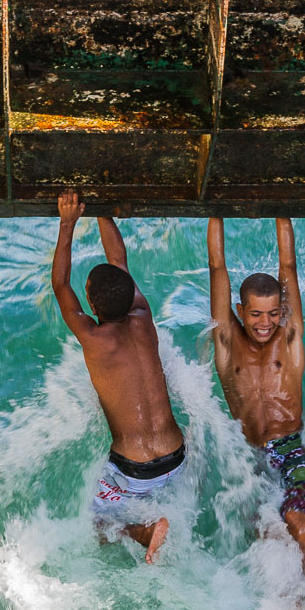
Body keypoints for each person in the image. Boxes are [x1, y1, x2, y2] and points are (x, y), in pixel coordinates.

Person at [51, 190, 185, 563]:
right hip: (175, 456)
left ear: (91, 307)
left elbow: (61, 286)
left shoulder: (93, 338)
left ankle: (145, 532)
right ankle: (151, 519)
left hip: (135, 468)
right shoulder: (143, 316)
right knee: (140, 495)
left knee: (98, 524)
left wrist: (67, 222)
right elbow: (119, 262)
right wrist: (100, 210)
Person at [207, 217, 305, 575]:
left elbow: (288, 266)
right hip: (249, 455)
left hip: (292, 449)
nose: (265, 323)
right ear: (239, 312)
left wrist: (281, 211)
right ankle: (285, 602)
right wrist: (215, 209)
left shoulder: (289, 339)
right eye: (256, 314)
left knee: (299, 518)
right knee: (266, 529)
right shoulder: (227, 345)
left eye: (273, 313)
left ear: (283, 313)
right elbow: (217, 267)